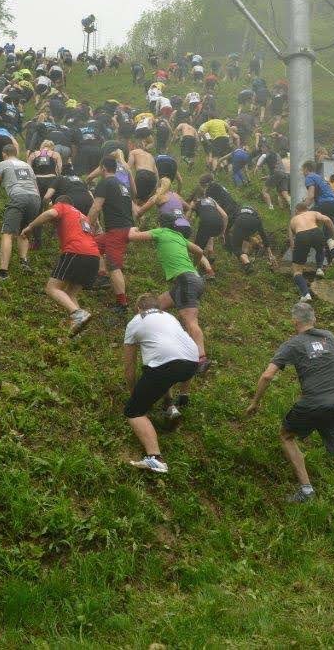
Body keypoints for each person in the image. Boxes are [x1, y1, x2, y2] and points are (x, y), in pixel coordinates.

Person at [244, 302, 334, 552]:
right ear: (314, 318)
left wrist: (254, 403)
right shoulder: (328, 337)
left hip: (313, 403)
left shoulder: (292, 344)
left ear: (295, 322)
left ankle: (306, 488)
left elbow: (268, 375)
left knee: (286, 435)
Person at [122, 294, 203, 474]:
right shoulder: (169, 317)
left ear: (138, 309)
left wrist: (133, 393)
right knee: (156, 366)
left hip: (166, 365)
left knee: (133, 412)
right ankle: (169, 406)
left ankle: (155, 458)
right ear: (158, 307)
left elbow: (129, 366)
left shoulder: (135, 322)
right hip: (192, 362)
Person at [128, 223, 213, 378]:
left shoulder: (160, 232)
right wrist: (194, 264)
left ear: (162, 223)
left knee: (190, 321)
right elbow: (200, 251)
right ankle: (143, 328)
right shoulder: (179, 236)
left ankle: (201, 358)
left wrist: (132, 228)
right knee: (156, 305)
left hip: (185, 281)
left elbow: (132, 236)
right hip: (193, 280)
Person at [20, 195, 100, 334]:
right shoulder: (82, 216)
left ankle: (78, 314)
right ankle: (79, 329)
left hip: (76, 252)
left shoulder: (62, 206)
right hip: (93, 256)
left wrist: (30, 226)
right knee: (70, 294)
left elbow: (51, 213)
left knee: (52, 288)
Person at [0, 142, 41, 280]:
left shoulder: (2, 164)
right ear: (16, 153)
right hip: (35, 198)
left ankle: (3, 273)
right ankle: (24, 263)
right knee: (24, 232)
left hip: (18, 197)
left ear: (4, 154)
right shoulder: (27, 166)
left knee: (7, 233)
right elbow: (36, 188)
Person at [89, 156, 136, 311]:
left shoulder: (105, 183)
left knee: (113, 265)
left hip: (116, 230)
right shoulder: (123, 185)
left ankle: (122, 303)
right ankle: (101, 277)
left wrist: (88, 226)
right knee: (92, 246)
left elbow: (96, 208)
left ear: (103, 168)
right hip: (123, 227)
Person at [289, 202, 334, 296]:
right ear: (307, 209)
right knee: (321, 249)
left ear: (296, 210)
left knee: (297, 270)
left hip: (301, 235)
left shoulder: (293, 220)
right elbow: (327, 219)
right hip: (316, 232)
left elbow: (292, 241)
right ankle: (319, 268)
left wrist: (298, 251)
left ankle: (306, 294)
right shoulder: (313, 213)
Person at [227, 205, 276, 273]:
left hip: (240, 221)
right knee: (246, 237)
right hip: (253, 224)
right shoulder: (256, 216)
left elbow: (230, 220)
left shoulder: (238, 210)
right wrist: (270, 253)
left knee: (236, 247)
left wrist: (225, 231)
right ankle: (245, 258)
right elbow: (263, 234)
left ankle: (247, 264)